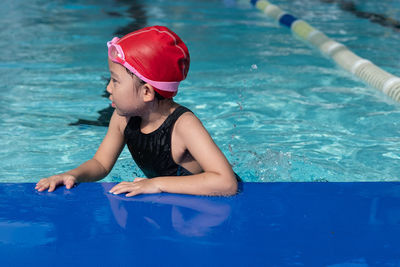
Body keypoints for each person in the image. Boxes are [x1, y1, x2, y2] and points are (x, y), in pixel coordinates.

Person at [35, 26, 238, 197]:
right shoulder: (122, 118)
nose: (108, 89)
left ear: (147, 91)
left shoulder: (184, 125)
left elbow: (226, 183)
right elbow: (101, 163)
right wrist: (72, 174)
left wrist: (157, 184)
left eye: (115, 81)